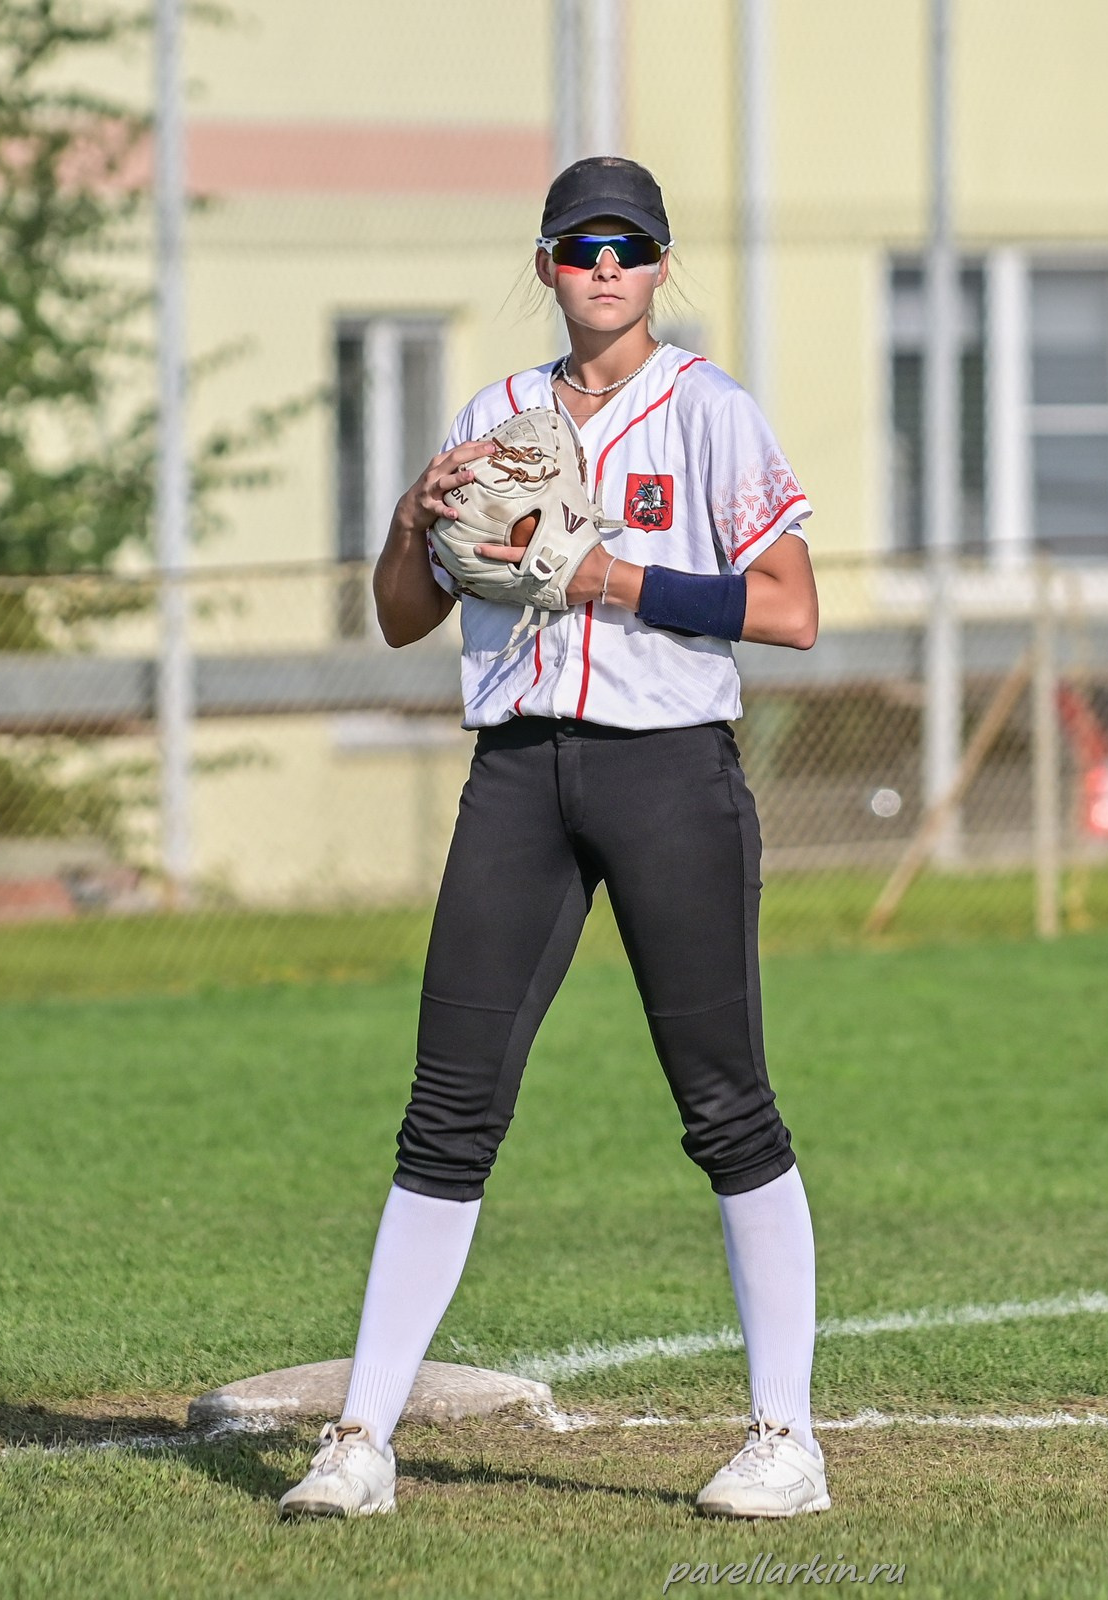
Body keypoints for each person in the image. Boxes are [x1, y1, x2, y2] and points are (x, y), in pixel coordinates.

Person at [279, 157, 832, 1519]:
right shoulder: (496, 415)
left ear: (659, 267)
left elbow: (790, 610)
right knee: (447, 1112)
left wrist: (615, 577)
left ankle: (786, 1440)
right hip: (519, 773)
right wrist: (416, 516)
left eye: (631, 247)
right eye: (582, 245)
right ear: (544, 264)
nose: (606, 267)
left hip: (668, 774)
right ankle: (361, 1441)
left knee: (724, 1103)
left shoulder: (709, 413)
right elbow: (401, 615)